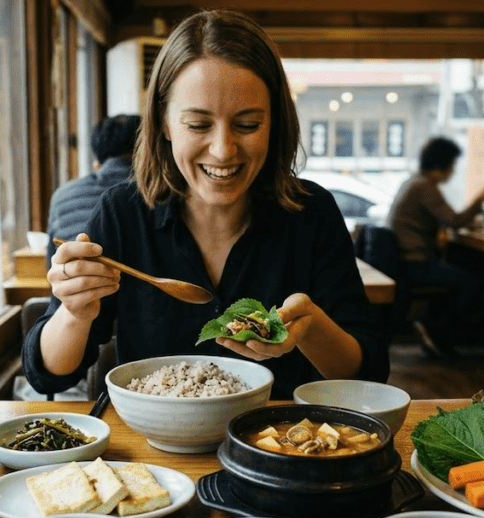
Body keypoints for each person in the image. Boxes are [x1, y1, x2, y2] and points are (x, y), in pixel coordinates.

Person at [22, 9, 388, 399]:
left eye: (247, 125)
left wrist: (311, 328)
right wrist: (74, 313)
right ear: (164, 122)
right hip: (156, 435)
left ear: (275, 124)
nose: (223, 150)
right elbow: (49, 376)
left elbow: (368, 374)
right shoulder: (123, 212)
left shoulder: (311, 213)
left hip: (278, 434)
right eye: (198, 125)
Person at [386, 136, 484, 358]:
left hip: (406, 261)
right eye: (452, 165)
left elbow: (444, 220)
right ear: (442, 165)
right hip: (414, 265)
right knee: (472, 282)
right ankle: (435, 329)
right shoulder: (424, 187)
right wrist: (480, 200)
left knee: (462, 275)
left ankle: (435, 329)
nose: (453, 172)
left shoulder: (414, 182)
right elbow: (455, 220)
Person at [45, 114, 142, 264]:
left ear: (97, 161)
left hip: (72, 276)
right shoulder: (153, 193)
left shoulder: (61, 195)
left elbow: (52, 262)